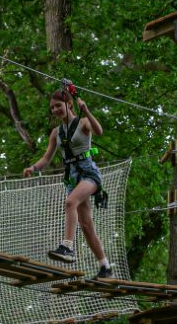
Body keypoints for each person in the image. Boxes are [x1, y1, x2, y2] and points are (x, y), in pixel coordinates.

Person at [23, 89, 112, 279]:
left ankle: (67, 247)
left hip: (89, 174)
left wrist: (86, 110)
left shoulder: (83, 123)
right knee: (87, 226)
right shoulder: (56, 133)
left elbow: (99, 131)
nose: (55, 109)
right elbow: (46, 158)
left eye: (58, 105)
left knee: (70, 202)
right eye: (52, 107)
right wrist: (33, 168)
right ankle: (105, 267)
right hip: (73, 179)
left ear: (69, 104)